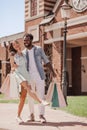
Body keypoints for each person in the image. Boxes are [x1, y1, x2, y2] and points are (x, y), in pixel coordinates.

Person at [1, 40, 49, 123]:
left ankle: (18, 116)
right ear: (12, 46)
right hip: (19, 74)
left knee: (23, 97)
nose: (16, 45)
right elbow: (12, 66)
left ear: (19, 44)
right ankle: (41, 101)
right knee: (28, 89)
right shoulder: (12, 54)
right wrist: (17, 66)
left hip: (26, 75)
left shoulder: (23, 53)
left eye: (17, 44)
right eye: (14, 45)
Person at [23, 33, 56, 123]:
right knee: (30, 96)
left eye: (27, 40)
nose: (25, 42)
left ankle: (41, 115)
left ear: (31, 40)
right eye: (24, 40)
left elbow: (46, 60)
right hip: (29, 77)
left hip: (39, 76)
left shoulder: (38, 49)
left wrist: (52, 71)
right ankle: (31, 115)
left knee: (41, 95)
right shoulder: (23, 52)